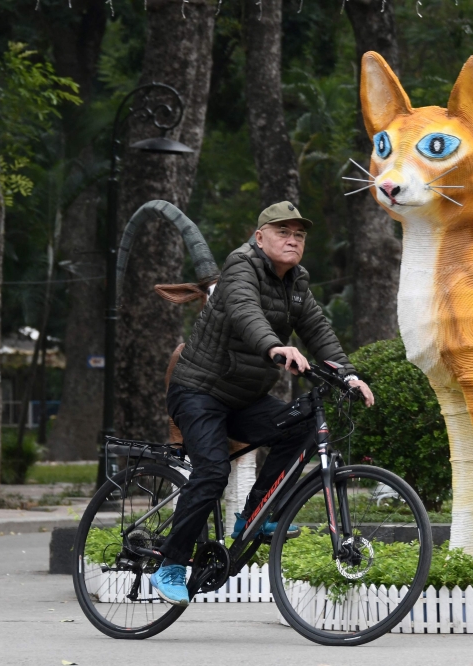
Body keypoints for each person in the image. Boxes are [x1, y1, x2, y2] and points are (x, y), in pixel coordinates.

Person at [149, 201, 374, 607]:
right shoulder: (241, 266)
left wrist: (350, 375)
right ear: (260, 238)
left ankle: (256, 515)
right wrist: (274, 346)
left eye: (299, 235)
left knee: (303, 423)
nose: (292, 240)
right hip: (198, 391)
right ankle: (169, 563)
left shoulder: (297, 282)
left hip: (244, 399)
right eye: (282, 232)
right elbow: (244, 311)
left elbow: (318, 330)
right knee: (213, 470)